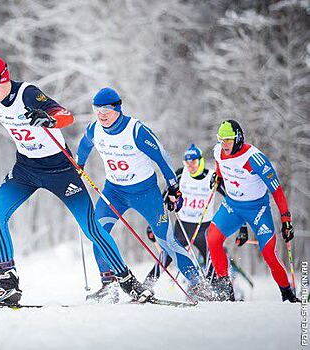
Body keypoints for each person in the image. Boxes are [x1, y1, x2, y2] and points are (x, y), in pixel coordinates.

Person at [0, 56, 153, 304]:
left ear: (4, 77)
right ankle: (8, 283)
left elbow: (66, 116)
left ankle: (128, 282)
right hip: (26, 169)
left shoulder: (28, 94)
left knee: (92, 228)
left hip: (60, 171)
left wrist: (49, 119)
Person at [76, 87, 205, 302]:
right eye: (97, 109)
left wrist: (174, 187)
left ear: (117, 108)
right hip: (114, 191)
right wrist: (78, 165)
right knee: (98, 232)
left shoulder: (136, 130)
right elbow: (84, 145)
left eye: (107, 109)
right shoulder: (94, 129)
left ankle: (198, 285)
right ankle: (109, 286)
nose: (102, 114)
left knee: (166, 241)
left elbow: (161, 157)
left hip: (145, 193)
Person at [207, 120, 300, 302]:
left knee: (268, 254)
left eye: (228, 140)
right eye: (221, 139)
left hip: (257, 209)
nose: (224, 144)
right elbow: (220, 167)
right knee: (212, 239)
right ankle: (226, 291)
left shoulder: (254, 158)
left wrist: (286, 220)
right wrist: (217, 178)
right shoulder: (218, 151)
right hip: (232, 206)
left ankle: (287, 294)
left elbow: (277, 190)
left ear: (238, 139)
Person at [143, 144, 249, 292]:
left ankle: (220, 292)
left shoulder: (213, 177)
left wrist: (242, 227)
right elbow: (163, 199)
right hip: (182, 228)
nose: (190, 166)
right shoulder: (180, 175)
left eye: (193, 161)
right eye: (187, 162)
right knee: (166, 255)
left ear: (200, 161)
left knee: (214, 258)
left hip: (204, 229)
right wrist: (152, 224)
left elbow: (234, 199)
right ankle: (147, 286)